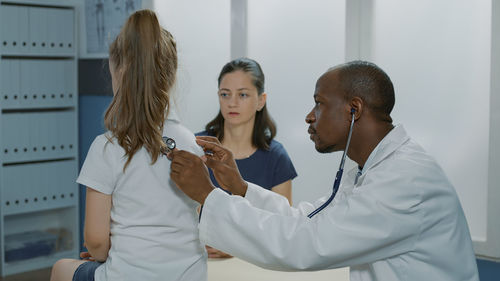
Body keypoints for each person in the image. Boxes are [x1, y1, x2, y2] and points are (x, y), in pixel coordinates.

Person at [169, 61, 479, 280]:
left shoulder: (404, 180)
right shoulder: (369, 168)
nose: (309, 116)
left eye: (319, 104)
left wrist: (208, 196)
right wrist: (241, 188)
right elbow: (308, 219)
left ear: (353, 110)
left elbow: (305, 245)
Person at [50, 10, 207, 281]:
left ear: (117, 71)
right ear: (171, 77)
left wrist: (109, 249)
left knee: (61, 268)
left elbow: (96, 243)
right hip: (190, 275)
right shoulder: (193, 144)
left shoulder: (107, 147)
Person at [197, 58, 297, 258]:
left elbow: (282, 229)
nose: (232, 103)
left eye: (242, 94)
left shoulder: (276, 157)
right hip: (198, 262)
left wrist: (234, 246)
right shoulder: (198, 147)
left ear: (261, 100)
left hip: (254, 269)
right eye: (225, 94)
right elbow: (179, 215)